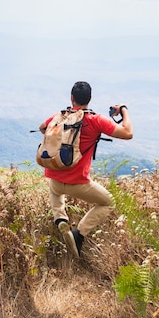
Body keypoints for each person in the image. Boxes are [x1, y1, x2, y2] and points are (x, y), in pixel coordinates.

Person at [37, 81, 133, 258]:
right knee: (108, 202)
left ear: (71, 98)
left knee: (55, 189)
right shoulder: (96, 120)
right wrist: (124, 110)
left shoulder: (60, 116)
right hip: (79, 183)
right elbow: (128, 133)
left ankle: (60, 217)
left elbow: (42, 128)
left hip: (56, 181)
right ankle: (78, 234)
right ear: (90, 99)